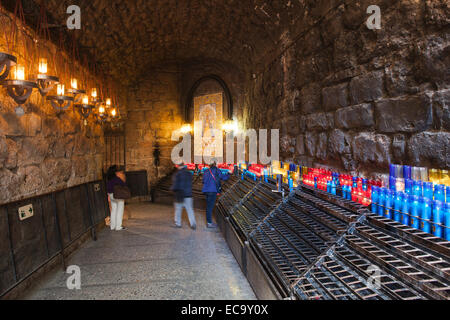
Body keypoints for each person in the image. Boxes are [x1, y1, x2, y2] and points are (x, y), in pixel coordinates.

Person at [202, 161, 229, 228]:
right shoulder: (217, 170)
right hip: (213, 191)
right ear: (215, 164)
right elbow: (223, 177)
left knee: (208, 206)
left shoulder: (206, 171)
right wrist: (229, 173)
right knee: (210, 207)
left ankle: (209, 222)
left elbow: (203, 181)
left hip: (206, 191)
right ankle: (209, 223)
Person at [171, 163, 197, 229]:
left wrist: (172, 189)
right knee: (190, 209)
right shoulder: (189, 173)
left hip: (179, 195)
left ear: (178, 166)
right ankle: (193, 223)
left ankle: (178, 223)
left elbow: (176, 185)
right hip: (188, 194)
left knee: (178, 210)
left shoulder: (177, 174)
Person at [106, 165, 127, 231]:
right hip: (118, 196)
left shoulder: (108, 179)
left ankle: (112, 226)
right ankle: (118, 226)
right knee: (120, 210)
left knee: (113, 211)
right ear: (115, 172)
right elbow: (123, 184)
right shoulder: (116, 179)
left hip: (111, 195)